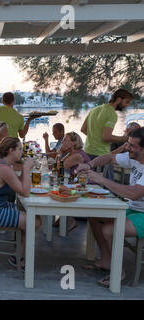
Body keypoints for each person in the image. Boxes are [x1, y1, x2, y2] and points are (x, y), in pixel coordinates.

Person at [77, 127, 144, 287]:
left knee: (109, 229)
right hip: (132, 208)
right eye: (128, 144)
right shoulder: (134, 157)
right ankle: (107, 260)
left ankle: (118, 273)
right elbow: (109, 158)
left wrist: (103, 181)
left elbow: (134, 193)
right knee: (94, 215)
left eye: (132, 146)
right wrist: (90, 164)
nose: (128, 148)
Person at [0, 137, 42, 270]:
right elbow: (25, 192)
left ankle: (19, 255)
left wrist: (25, 170)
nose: (21, 153)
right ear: (10, 150)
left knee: (31, 216)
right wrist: (26, 167)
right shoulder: (4, 169)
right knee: (35, 221)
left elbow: (18, 183)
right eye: (19, 149)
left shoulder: (4, 164)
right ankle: (21, 258)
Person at [81, 89, 134, 161]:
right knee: (107, 172)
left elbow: (83, 129)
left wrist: (95, 139)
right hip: (101, 155)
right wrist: (124, 138)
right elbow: (106, 137)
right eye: (126, 102)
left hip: (86, 152)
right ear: (118, 100)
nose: (127, 105)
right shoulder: (112, 113)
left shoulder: (94, 109)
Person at [53, 131, 91, 232]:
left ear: (74, 143)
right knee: (58, 189)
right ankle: (63, 217)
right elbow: (56, 166)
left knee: (62, 191)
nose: (62, 143)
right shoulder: (71, 153)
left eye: (65, 140)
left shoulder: (77, 155)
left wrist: (59, 153)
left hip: (85, 187)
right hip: (76, 185)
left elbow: (59, 168)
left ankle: (70, 219)